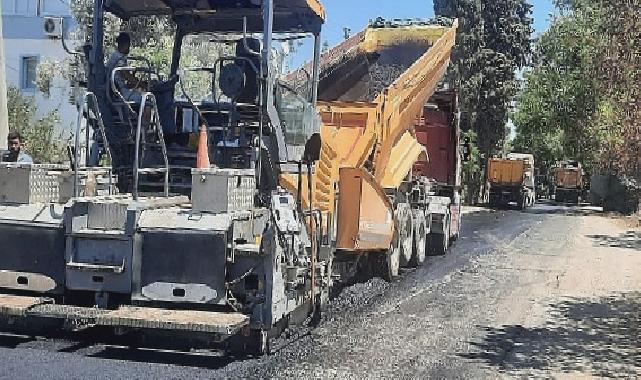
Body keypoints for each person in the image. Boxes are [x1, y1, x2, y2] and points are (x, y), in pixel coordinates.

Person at [105, 32, 143, 104]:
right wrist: (143, 84)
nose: (129, 47)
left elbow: (125, 77)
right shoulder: (119, 58)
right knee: (145, 99)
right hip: (119, 93)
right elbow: (126, 76)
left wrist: (135, 82)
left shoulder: (117, 56)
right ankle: (145, 115)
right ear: (126, 44)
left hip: (119, 89)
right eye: (129, 45)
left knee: (138, 92)